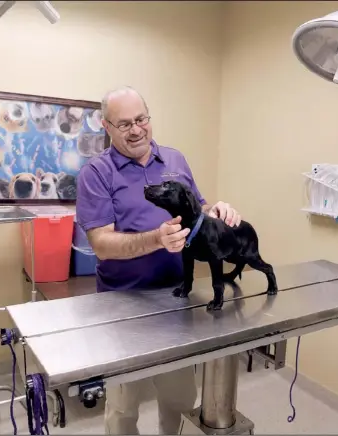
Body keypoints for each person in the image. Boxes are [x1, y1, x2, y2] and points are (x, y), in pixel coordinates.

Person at [76, 86, 241, 435]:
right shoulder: (96, 173)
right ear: (107, 127)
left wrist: (217, 211)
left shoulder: (175, 160)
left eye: (140, 119)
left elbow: (197, 212)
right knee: (122, 411)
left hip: (176, 300)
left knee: (180, 400)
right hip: (122, 306)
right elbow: (101, 244)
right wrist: (156, 239)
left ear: (149, 118)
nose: (135, 130)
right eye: (123, 124)